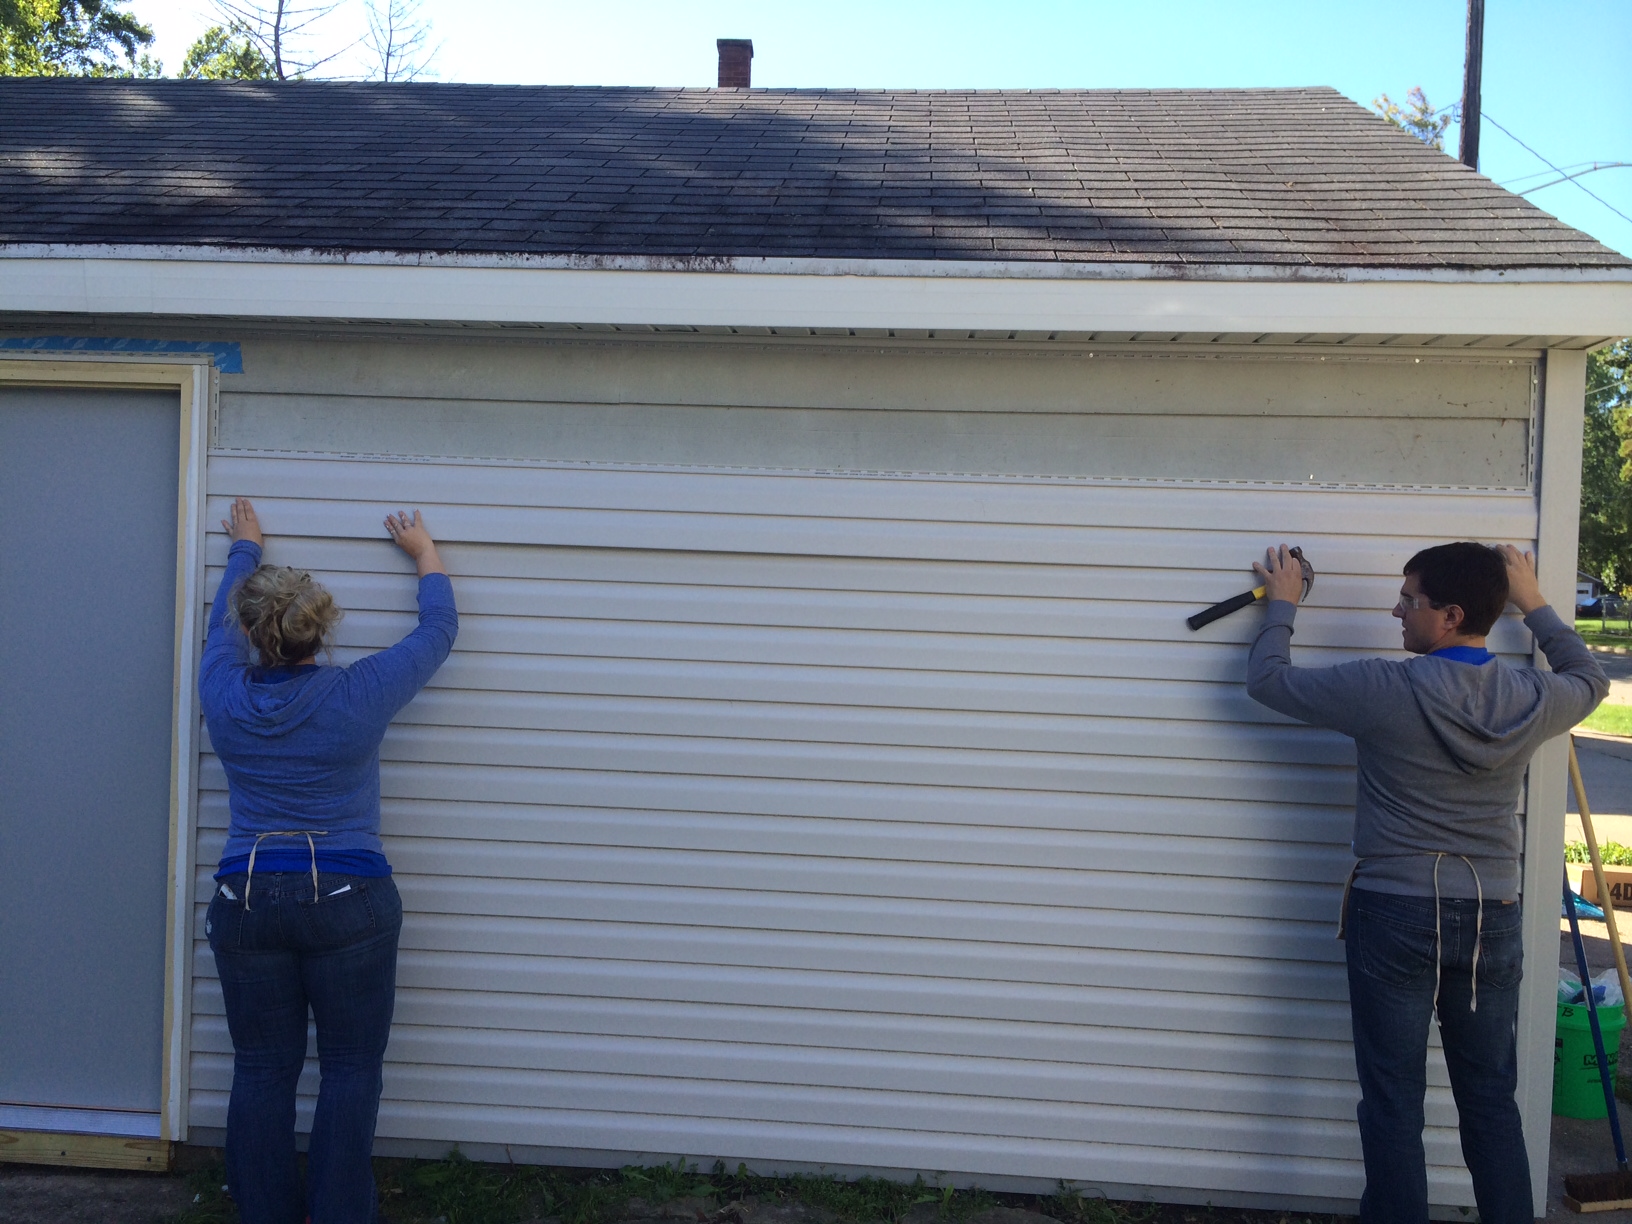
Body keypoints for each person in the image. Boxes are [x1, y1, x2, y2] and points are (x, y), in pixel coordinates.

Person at [1245, 541, 1606, 1223]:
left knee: (1391, 1098)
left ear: (1450, 615)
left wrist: (1284, 607)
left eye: (1409, 601)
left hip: (1396, 915)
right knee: (1491, 1098)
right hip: (1489, 915)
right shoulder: (1533, 696)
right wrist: (1534, 605)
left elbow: (1268, 682)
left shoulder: (1384, 688)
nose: (1396, 610)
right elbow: (1590, 679)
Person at [200, 496, 458, 1224]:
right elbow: (439, 631)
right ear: (322, 628)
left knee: (261, 1068)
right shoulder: (358, 693)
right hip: (350, 900)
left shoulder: (222, 690)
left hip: (245, 901)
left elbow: (225, 624)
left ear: (251, 632)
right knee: (349, 1070)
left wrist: (244, 548)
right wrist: (424, 553)